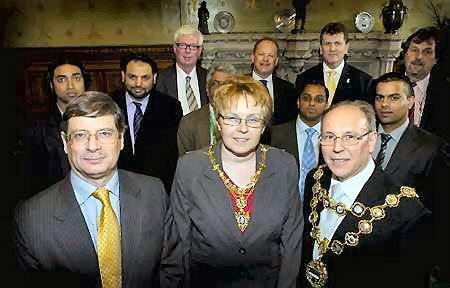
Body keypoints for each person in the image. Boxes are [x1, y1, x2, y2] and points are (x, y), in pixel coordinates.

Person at [13, 91, 183, 287]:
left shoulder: (154, 192)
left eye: (104, 133)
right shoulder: (31, 219)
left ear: (121, 139)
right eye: (80, 135)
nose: (93, 146)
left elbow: (172, 268)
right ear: (65, 142)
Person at [171, 76, 304, 287]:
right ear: (218, 122)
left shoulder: (284, 165)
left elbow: (292, 239)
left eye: (253, 119)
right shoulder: (190, 167)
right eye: (233, 118)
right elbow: (178, 243)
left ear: (263, 126)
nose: (243, 128)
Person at [298, 100, 433, 288]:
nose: (337, 147)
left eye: (350, 137)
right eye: (328, 136)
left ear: (371, 141)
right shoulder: (316, 179)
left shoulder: (407, 212)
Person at [372, 72, 449, 210]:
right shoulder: (361, 137)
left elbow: (437, 203)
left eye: (394, 98)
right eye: (379, 98)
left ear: (410, 101)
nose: (384, 104)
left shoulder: (432, 148)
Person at [111, 52, 182, 192]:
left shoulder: (170, 107)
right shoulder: (108, 104)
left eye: (145, 78)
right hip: (117, 186)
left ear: (154, 78)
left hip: (157, 188)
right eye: (132, 77)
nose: (138, 83)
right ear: (123, 76)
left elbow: (173, 155)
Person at [20, 56, 90, 198]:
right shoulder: (36, 128)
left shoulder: (100, 119)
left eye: (76, 78)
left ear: (84, 82)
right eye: (62, 79)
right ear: (52, 85)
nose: (70, 85)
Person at [271, 79, 328, 201]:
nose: (312, 103)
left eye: (319, 100)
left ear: (326, 105)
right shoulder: (275, 134)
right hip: (282, 205)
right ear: (298, 102)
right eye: (306, 98)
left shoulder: (334, 137)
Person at [295, 22, 372, 107]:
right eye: (327, 43)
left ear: (346, 48)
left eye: (337, 43)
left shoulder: (363, 82)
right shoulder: (304, 79)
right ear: (321, 49)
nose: (332, 49)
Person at [177, 63, 236, 156]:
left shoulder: (244, 121)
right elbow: (184, 162)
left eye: (226, 84)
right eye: (216, 84)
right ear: (207, 90)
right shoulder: (189, 122)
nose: (221, 88)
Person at [156, 24, 208, 115]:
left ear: (200, 51)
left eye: (193, 46)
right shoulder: (161, 79)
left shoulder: (208, 78)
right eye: (183, 46)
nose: (188, 51)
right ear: (175, 49)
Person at [251, 37, 298, 125]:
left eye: (270, 56)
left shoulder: (289, 90)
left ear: (276, 61)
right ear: (253, 58)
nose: (265, 59)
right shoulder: (239, 85)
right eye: (261, 54)